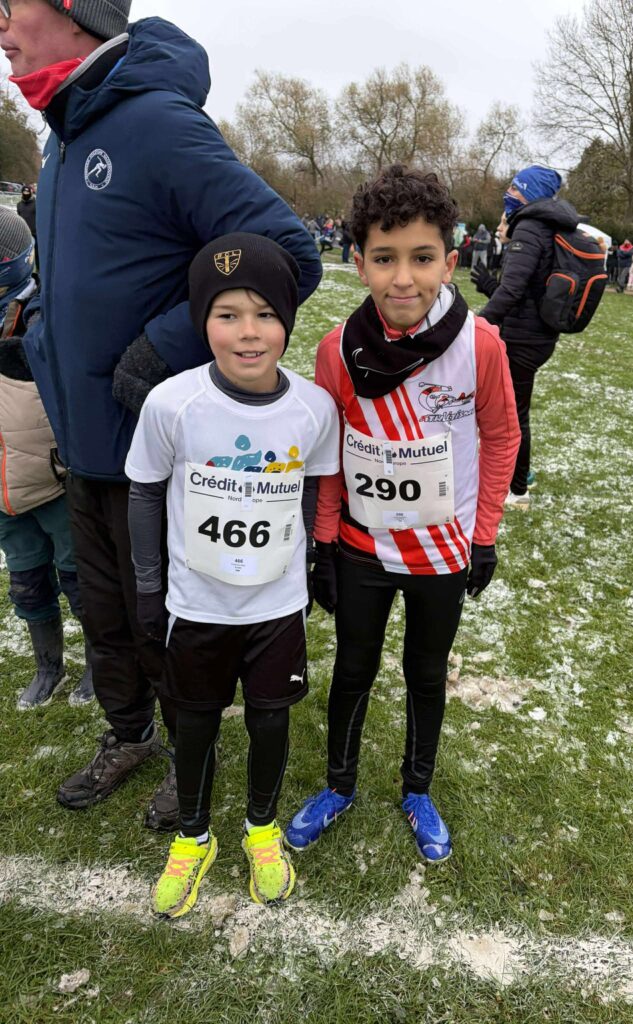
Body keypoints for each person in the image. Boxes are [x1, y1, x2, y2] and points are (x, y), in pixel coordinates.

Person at [1, 0, 322, 829]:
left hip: (153, 451)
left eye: (9, 6)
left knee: (164, 621)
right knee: (104, 618)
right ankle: (128, 734)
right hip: (82, 446)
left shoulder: (153, 122)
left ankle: (190, 756)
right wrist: (37, 338)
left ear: (73, 10)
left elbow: (287, 251)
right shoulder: (60, 133)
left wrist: (165, 349)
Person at [286, 165, 519, 864]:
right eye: (384, 259)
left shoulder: (480, 344)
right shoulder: (336, 350)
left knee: (426, 672)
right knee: (352, 669)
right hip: (362, 549)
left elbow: (503, 436)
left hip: (443, 551)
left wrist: (484, 535)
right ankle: (339, 784)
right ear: (359, 263)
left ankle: (418, 790)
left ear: (449, 262)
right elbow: (330, 455)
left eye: (422, 258)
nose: (403, 279)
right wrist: (324, 543)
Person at [126, 233, 339, 917]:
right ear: (202, 321)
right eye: (227, 315)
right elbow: (144, 492)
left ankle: (261, 829)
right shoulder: (172, 403)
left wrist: (313, 560)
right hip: (199, 605)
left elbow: (312, 488)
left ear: (287, 321)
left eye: (266, 314)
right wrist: (150, 589)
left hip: (275, 606)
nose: (249, 333)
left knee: (270, 720)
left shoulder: (313, 408)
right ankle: (193, 836)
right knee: (195, 723)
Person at [0, 207, 93, 710]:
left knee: (78, 577)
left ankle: (98, 661)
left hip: (52, 477)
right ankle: (48, 666)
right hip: (4, 488)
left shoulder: (40, 311)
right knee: (27, 581)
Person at [471, 164, 579, 509]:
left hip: (524, 339)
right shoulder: (542, 225)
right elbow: (525, 291)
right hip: (534, 334)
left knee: (513, 415)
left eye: (516, 188)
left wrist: (476, 326)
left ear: (530, 194)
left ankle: (518, 489)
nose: (509, 193)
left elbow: (514, 291)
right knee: (512, 411)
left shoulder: (530, 226)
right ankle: (519, 477)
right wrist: (490, 287)